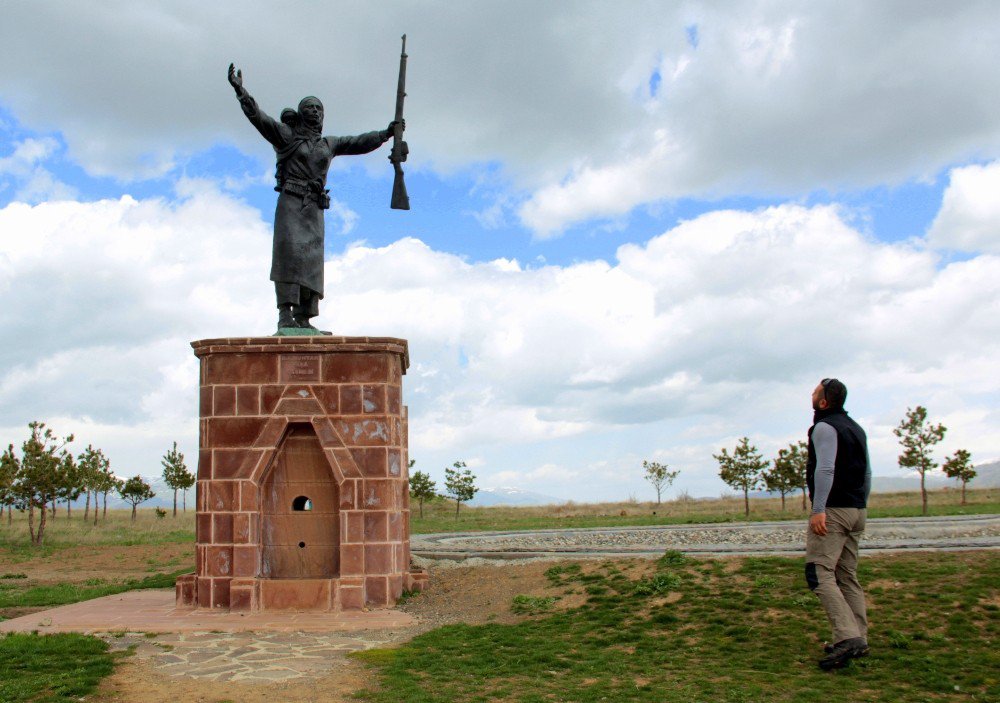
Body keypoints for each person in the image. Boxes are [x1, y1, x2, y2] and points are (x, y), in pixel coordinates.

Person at [227, 63, 401, 333]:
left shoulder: (328, 144)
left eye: (319, 108)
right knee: (289, 255)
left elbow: (358, 142)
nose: (316, 112)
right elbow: (260, 119)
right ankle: (285, 314)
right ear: (300, 112)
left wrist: (385, 134)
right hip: (291, 201)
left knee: (310, 260)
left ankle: (304, 317)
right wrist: (241, 92)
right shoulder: (287, 137)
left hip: (314, 208)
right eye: (310, 107)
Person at [805, 377, 872, 670]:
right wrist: (861, 503)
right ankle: (859, 637)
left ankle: (847, 637)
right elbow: (868, 473)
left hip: (834, 509)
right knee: (846, 575)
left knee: (818, 573)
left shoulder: (824, 427)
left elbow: (826, 468)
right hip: (857, 509)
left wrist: (819, 508)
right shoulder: (856, 428)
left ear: (823, 402)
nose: (812, 392)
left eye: (816, 391)